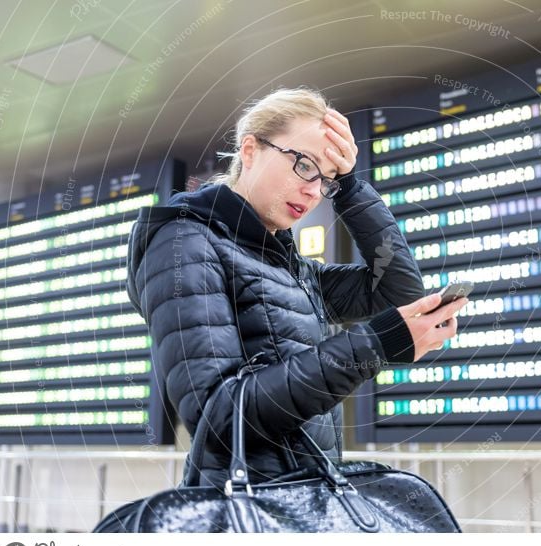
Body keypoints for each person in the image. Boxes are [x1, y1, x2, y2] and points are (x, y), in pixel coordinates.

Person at [126, 87, 467, 488]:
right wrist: (373, 346)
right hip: (246, 517)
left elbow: (399, 293)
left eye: (327, 180)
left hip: (305, 500)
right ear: (249, 150)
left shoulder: (288, 266)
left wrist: (352, 189)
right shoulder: (184, 245)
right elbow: (219, 417)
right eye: (304, 165)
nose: (313, 191)